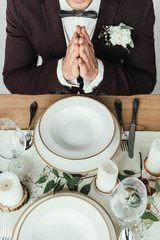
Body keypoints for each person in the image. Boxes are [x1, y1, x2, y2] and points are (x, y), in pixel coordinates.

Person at [3, 0, 156, 95]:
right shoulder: (21, 4)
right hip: (48, 109)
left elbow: (145, 80)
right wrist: (60, 72)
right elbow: (14, 77)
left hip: (112, 109)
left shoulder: (138, 4)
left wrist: (98, 72)